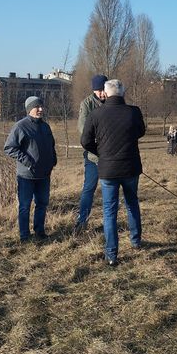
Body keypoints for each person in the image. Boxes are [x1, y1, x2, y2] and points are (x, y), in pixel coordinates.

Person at [81, 79, 146, 267]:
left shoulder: (96, 114)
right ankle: (135, 241)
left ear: (106, 93)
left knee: (109, 212)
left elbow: (85, 141)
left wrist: (101, 151)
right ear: (122, 93)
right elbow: (140, 132)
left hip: (108, 170)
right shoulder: (134, 112)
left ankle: (111, 254)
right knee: (132, 203)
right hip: (130, 167)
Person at [4, 96, 57, 242]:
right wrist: (27, 161)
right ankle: (24, 236)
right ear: (29, 109)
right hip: (26, 175)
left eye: (41, 106)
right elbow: (9, 148)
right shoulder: (20, 126)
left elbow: (51, 145)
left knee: (42, 204)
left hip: (44, 175)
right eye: (37, 106)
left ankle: (39, 232)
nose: (41, 109)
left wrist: (53, 160)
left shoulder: (45, 126)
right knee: (25, 206)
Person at [74, 74, 107, 234]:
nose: (102, 93)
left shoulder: (112, 101)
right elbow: (83, 129)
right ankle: (82, 221)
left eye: (103, 90)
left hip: (110, 156)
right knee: (89, 188)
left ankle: (109, 221)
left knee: (110, 189)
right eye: (98, 90)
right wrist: (98, 142)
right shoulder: (86, 104)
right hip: (93, 156)